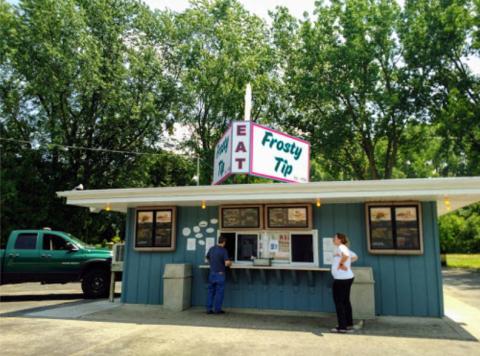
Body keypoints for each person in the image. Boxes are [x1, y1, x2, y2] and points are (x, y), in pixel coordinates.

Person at [330, 232, 358, 333]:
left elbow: (346, 255)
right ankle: (348, 324)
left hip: (341, 279)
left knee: (339, 303)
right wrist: (347, 263)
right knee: (345, 302)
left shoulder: (341, 247)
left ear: (340, 240)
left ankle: (342, 327)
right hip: (347, 278)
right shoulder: (344, 248)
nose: (333, 239)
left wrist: (341, 263)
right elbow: (354, 256)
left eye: (335, 238)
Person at [206, 236, 232, 314]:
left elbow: (207, 258)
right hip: (220, 274)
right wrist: (231, 263)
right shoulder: (223, 251)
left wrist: (212, 264)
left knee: (210, 292)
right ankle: (217, 310)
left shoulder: (211, 249)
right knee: (219, 293)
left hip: (212, 273)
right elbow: (227, 263)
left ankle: (209, 309)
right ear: (224, 242)